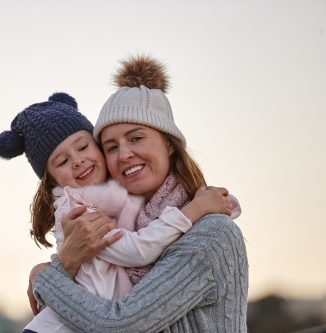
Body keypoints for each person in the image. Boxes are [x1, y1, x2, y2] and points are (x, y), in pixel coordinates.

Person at [29, 55, 249, 332]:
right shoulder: (118, 224)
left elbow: (120, 325)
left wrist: (47, 279)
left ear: (168, 144)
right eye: (111, 147)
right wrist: (65, 264)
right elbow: (79, 310)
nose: (124, 155)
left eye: (136, 138)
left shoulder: (211, 232)